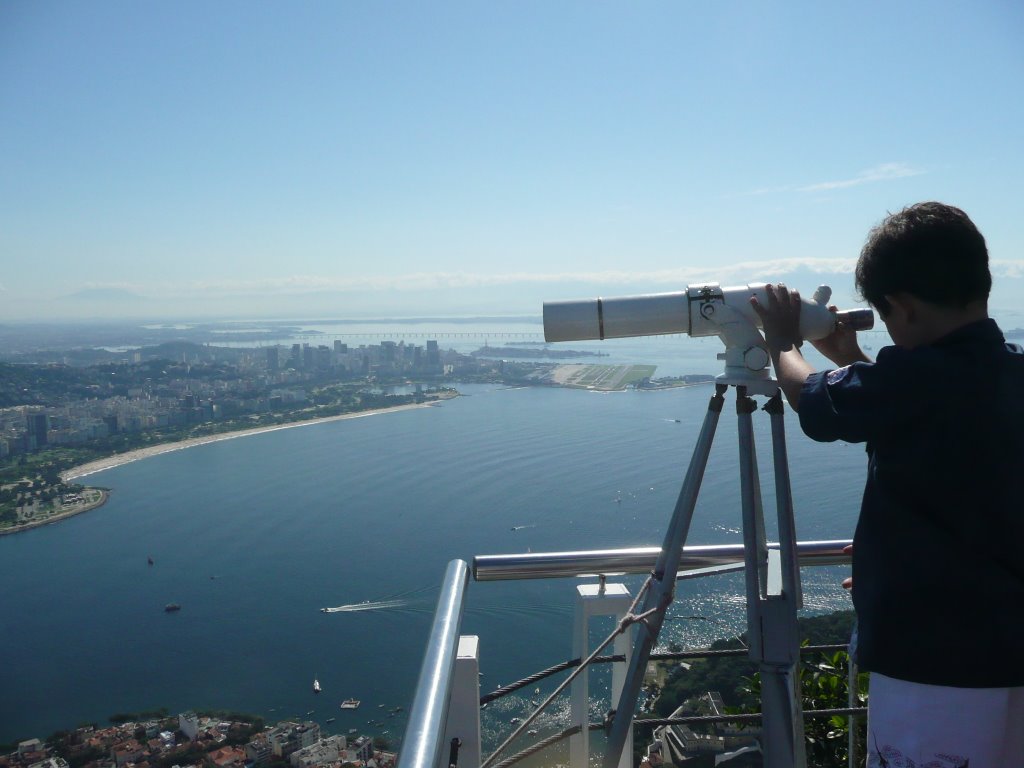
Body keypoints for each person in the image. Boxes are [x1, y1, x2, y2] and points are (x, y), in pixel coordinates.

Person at [751, 202, 1024, 767]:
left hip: (936, 664)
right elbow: (935, 437)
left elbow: (816, 404)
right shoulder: (1009, 372)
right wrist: (851, 358)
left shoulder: (916, 380)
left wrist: (782, 344)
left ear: (899, 306)